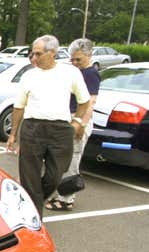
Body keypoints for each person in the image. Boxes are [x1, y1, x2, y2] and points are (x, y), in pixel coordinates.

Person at [6, 35, 91, 216]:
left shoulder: (70, 73)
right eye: (32, 54)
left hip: (60, 130)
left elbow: (84, 101)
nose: (33, 58)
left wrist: (76, 122)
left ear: (52, 53)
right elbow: (19, 107)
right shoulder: (28, 75)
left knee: (55, 176)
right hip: (32, 128)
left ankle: (27, 204)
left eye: (38, 54)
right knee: (30, 177)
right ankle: (33, 218)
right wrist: (13, 134)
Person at [46, 38, 100, 211]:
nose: (75, 63)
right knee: (61, 160)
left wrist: (81, 124)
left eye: (79, 59)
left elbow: (90, 102)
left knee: (72, 161)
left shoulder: (90, 74)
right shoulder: (74, 72)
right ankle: (60, 193)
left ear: (89, 55)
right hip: (68, 118)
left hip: (78, 119)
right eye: (73, 59)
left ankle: (66, 199)